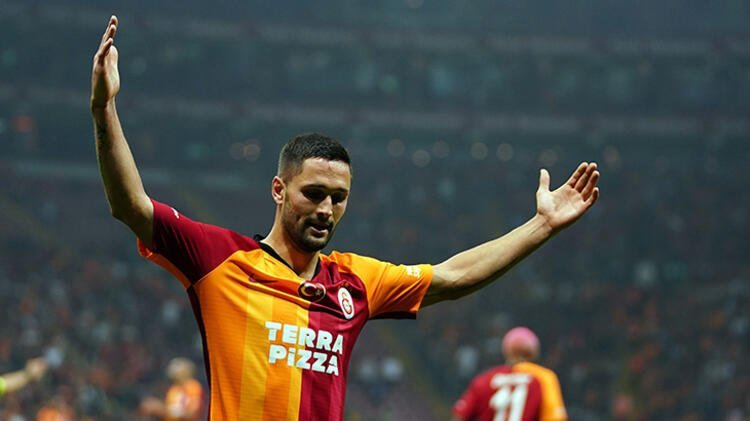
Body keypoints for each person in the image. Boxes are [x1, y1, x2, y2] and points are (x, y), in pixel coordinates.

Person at [90, 15, 600, 421]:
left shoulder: (355, 282)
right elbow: (130, 205)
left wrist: (542, 226)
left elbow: (452, 276)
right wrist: (104, 109)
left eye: (339, 198)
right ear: (278, 190)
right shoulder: (220, 258)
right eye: (313, 194)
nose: (326, 209)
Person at [452, 327, 567, 421]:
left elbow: (460, 416)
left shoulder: (485, 379)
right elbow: (555, 418)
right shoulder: (544, 377)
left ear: (506, 350)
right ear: (535, 351)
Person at [140, 358, 204, 421]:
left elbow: (192, 414)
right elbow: (168, 412)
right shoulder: (173, 390)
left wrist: (162, 410)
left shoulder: (193, 387)